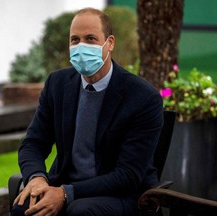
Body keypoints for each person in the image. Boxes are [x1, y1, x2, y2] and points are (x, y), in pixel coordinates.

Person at [10, 7, 163, 216]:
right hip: (63, 184)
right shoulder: (57, 84)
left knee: (80, 211)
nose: (81, 46)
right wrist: (37, 178)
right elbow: (33, 143)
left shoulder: (143, 97)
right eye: (75, 40)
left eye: (90, 39)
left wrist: (65, 193)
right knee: (23, 210)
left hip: (121, 194)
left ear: (110, 43)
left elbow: (128, 175)